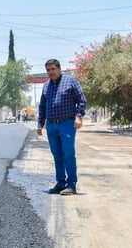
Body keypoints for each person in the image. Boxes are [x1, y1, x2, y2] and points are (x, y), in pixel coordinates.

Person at [37, 59, 87, 195]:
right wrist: (40, 124)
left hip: (67, 124)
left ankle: (71, 184)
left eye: (53, 69)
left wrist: (79, 116)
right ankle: (60, 183)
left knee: (68, 154)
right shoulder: (46, 86)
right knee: (57, 155)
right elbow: (42, 106)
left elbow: (81, 101)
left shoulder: (70, 81)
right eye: (48, 70)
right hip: (51, 125)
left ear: (59, 69)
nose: (51, 72)